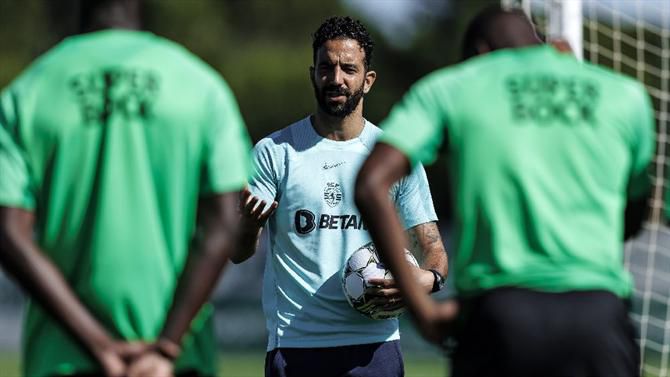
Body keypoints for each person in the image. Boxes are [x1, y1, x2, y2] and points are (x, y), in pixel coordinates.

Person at [355, 6, 654, 377]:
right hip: (599, 318)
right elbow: (633, 214)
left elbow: (371, 184)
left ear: (479, 54)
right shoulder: (626, 95)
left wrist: (423, 311)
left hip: (500, 315)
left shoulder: (452, 86)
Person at [0, 0, 253, 376]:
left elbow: (9, 233)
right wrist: (166, 348)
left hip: (63, 358)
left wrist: (100, 346)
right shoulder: (202, 87)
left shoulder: (27, 92)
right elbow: (226, 221)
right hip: (177, 363)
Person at [234, 16, 448, 377]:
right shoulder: (275, 152)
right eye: (326, 67)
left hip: (376, 349)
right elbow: (238, 254)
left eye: (348, 69)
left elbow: (434, 251)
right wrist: (249, 226)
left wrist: (426, 280)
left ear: (368, 80)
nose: (335, 79)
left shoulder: (393, 158)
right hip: (296, 347)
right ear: (312, 73)